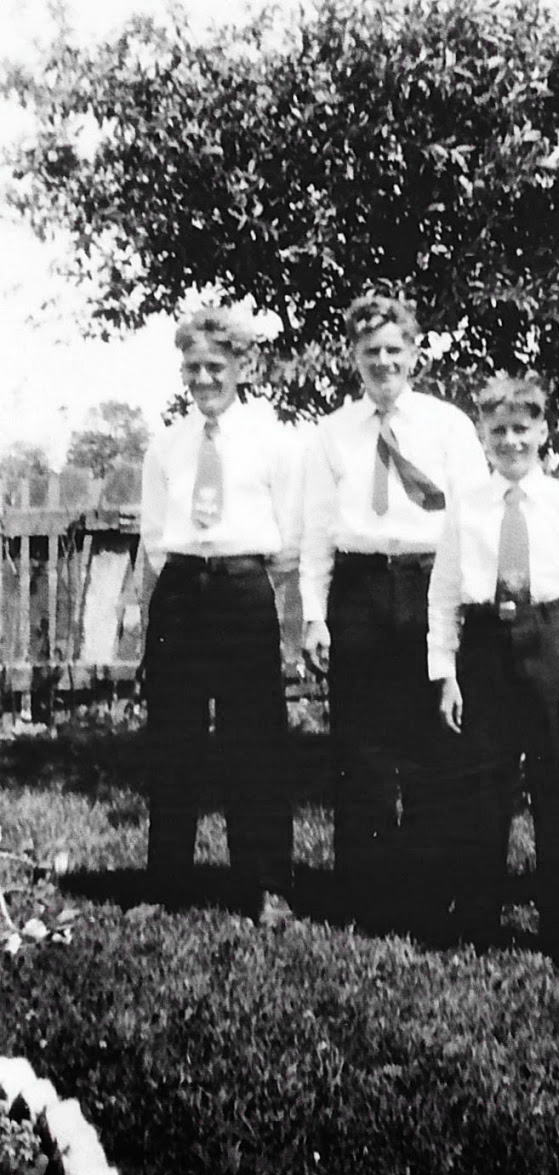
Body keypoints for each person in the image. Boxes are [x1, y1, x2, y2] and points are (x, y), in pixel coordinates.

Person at [299, 293, 488, 941]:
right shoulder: (332, 433)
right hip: (357, 588)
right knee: (363, 746)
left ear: (414, 352)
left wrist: (465, 609)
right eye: (370, 351)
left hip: (430, 581)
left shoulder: (448, 425)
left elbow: (473, 516)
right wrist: (314, 615)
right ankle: (369, 896)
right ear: (353, 357)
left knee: (434, 741)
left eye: (394, 349)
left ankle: (430, 894)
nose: (383, 362)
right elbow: (318, 529)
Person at [428, 374, 559, 967]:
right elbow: (444, 593)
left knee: (556, 788)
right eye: (498, 430)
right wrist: (447, 671)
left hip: (546, 640)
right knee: (484, 786)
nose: (510, 441)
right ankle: (478, 918)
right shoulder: (467, 505)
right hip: (483, 643)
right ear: (483, 436)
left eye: (521, 429)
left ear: (542, 432)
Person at [140, 306, 306, 925]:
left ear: (242, 366)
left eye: (216, 364)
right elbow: (155, 534)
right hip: (180, 590)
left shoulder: (275, 441)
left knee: (255, 740)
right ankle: (164, 884)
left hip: (242, 588)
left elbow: (289, 536)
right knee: (172, 740)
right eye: (193, 366)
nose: (204, 377)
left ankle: (266, 885)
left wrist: (258, 589)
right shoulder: (167, 445)